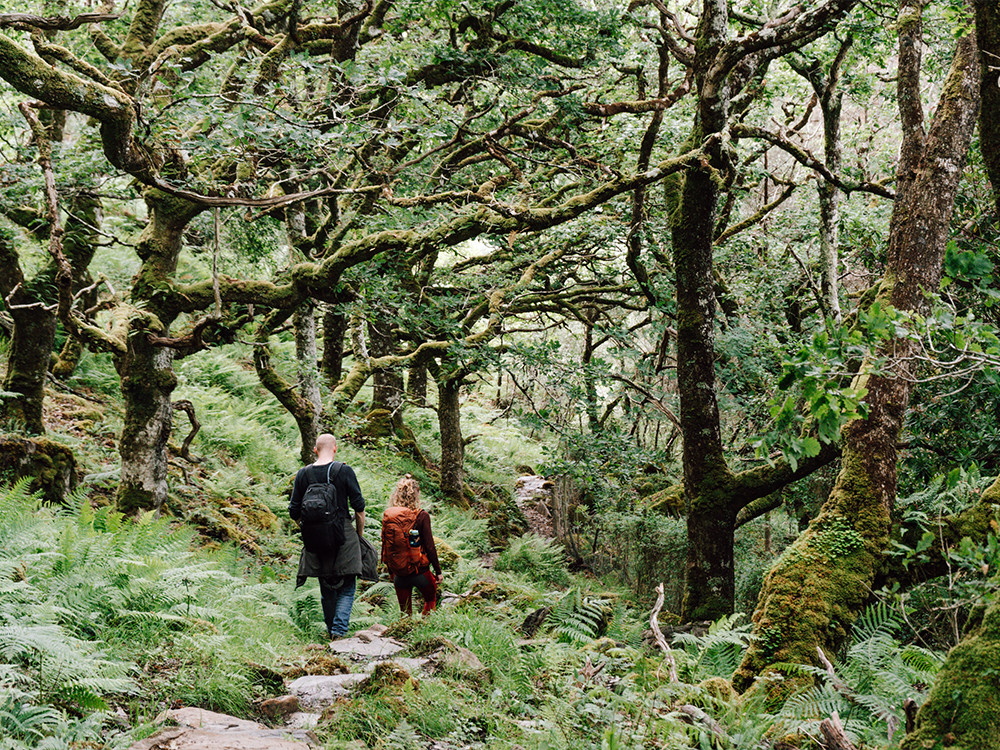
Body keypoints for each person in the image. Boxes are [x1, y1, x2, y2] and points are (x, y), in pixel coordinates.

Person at [288, 433, 366, 638]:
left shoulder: (303, 474)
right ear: (335, 449)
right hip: (344, 536)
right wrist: (358, 535)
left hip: (316, 539)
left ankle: (332, 630)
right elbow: (359, 508)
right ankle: (338, 633)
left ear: (315, 450)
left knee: (326, 587)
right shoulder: (344, 470)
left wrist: (310, 529)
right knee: (347, 587)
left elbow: (294, 512)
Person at [381, 474, 442, 616]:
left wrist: (391, 571)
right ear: (416, 495)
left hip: (399, 575)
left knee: (405, 613)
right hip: (420, 571)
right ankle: (424, 630)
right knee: (430, 600)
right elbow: (430, 546)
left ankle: (405, 634)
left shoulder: (389, 516)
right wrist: (438, 572)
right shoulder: (421, 515)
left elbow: (386, 546)